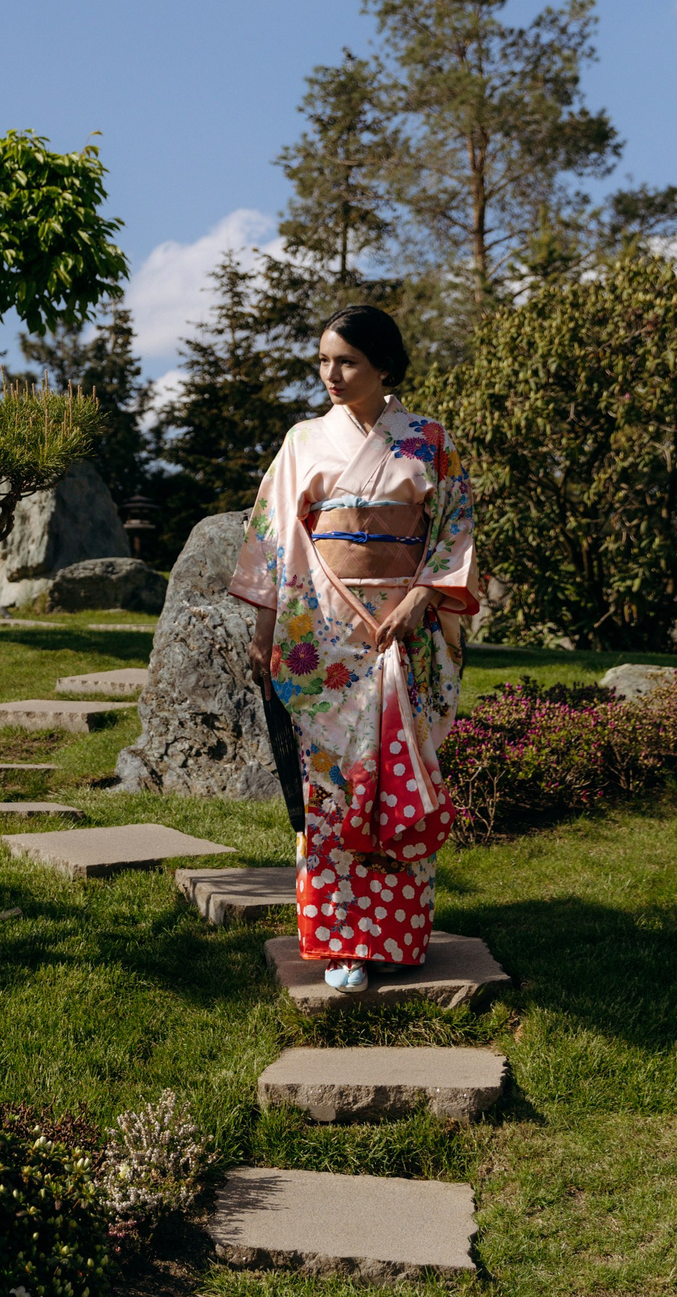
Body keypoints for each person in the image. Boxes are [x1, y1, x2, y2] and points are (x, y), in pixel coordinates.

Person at [228, 305, 476, 994]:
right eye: (323, 362)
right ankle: (343, 941)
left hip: (407, 631)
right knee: (334, 789)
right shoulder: (305, 440)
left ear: (384, 367)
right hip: (327, 636)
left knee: (402, 778)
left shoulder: (428, 440)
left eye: (347, 362)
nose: (331, 375)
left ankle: (398, 936)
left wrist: (421, 598)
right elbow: (274, 538)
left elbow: (453, 533)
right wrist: (263, 631)